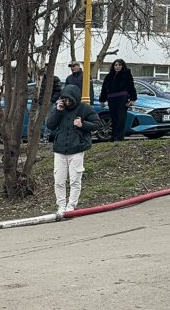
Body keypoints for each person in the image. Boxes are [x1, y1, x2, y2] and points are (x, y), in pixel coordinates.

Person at [47, 84, 99, 214]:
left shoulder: (85, 109)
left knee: (75, 179)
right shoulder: (60, 108)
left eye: (69, 100)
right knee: (59, 180)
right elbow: (50, 125)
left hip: (76, 149)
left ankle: (71, 205)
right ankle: (61, 205)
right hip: (60, 149)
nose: (67, 102)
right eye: (65, 100)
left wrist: (83, 124)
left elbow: (97, 124)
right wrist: (58, 111)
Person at [98, 58, 137, 142]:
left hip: (122, 98)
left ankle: (119, 137)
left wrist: (132, 99)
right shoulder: (109, 76)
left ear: (123, 66)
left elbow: (131, 87)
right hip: (111, 99)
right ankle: (113, 136)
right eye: (116, 65)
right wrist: (102, 99)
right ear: (113, 66)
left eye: (119, 65)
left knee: (121, 118)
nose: (117, 67)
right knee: (113, 118)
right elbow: (104, 88)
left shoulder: (126, 74)